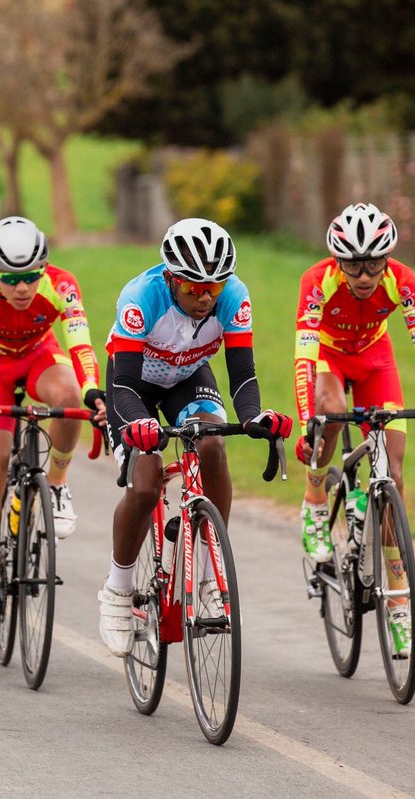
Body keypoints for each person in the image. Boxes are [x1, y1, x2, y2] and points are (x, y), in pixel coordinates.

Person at [97, 218, 292, 657]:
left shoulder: (234, 296)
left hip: (187, 377)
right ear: (171, 278)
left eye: (214, 288)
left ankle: (208, 569)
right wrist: (138, 426)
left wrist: (254, 417)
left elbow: (243, 375)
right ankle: (119, 589)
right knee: (145, 483)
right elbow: (125, 383)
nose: (205, 297)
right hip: (134, 386)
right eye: (193, 288)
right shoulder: (140, 297)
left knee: (213, 445)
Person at [293, 202, 415, 656]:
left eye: (373, 263)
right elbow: (304, 356)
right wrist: (309, 417)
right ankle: (314, 499)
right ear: (337, 260)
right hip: (329, 358)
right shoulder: (316, 281)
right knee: (330, 408)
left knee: (394, 471)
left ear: (387, 259)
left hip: (374, 359)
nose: (365, 275)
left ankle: (399, 601)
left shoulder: (403, 281)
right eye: (353, 263)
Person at [0, 216, 107, 645]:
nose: (22, 288)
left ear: (44, 268)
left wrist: (94, 388)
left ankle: (56, 484)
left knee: (70, 398)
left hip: (40, 354)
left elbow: (79, 343)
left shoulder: (62, 285)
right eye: (11, 278)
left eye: (30, 276)